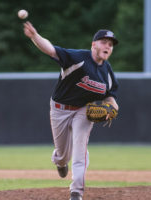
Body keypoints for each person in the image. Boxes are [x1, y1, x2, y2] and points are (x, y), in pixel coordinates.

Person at [23, 21, 119, 200]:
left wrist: (113, 106)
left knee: (80, 149)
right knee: (62, 155)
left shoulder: (107, 72)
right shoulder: (78, 58)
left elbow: (110, 95)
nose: (108, 46)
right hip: (60, 109)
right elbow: (51, 50)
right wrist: (35, 36)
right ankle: (59, 161)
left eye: (111, 44)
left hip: (84, 111)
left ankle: (76, 192)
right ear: (94, 44)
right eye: (104, 42)